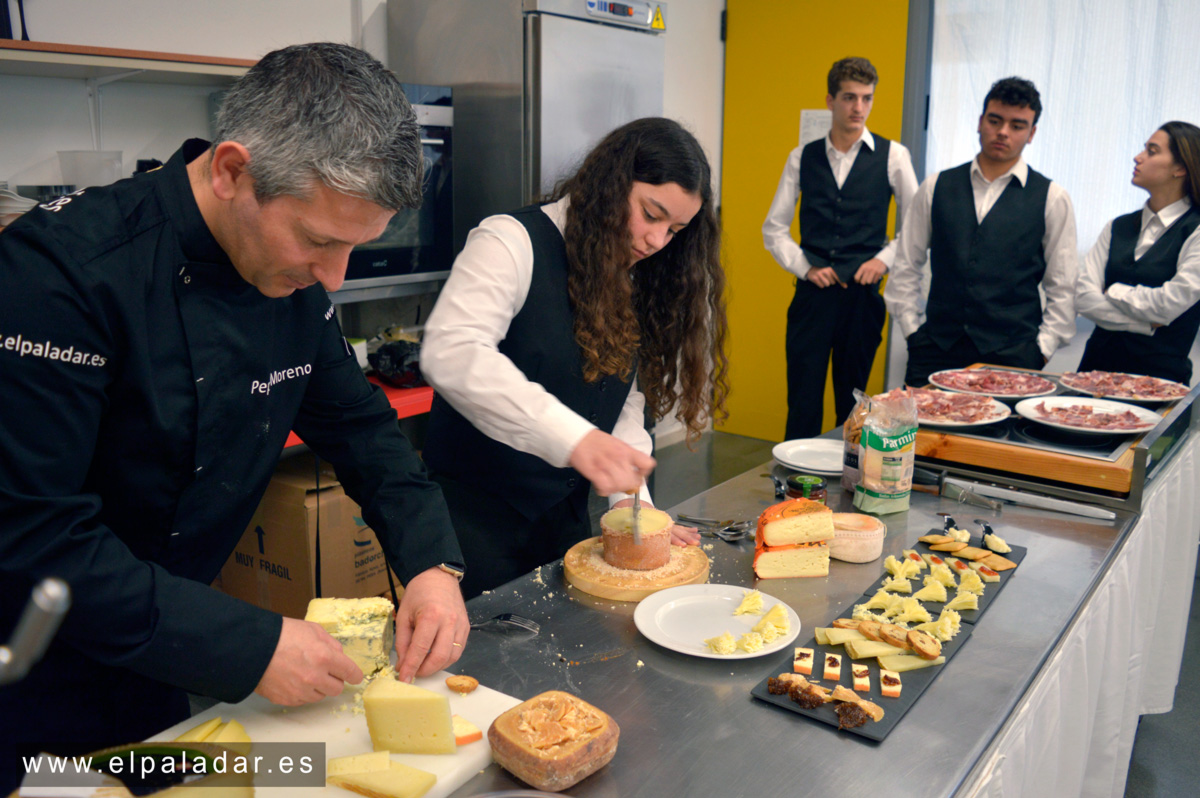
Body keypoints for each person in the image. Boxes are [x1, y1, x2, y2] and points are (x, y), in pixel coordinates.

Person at [0, 43, 468, 790]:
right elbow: (31, 533)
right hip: (27, 668)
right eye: (319, 241)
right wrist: (250, 644)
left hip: (156, 653)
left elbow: (362, 429)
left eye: (355, 246)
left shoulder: (288, 276)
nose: (334, 278)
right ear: (231, 172)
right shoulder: (58, 275)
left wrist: (432, 565)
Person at [419, 117, 729, 599]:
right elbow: (452, 352)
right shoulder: (510, 241)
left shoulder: (639, 274)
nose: (656, 241)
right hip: (470, 518)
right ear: (611, 183)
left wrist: (636, 517)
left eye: (675, 229)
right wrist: (576, 439)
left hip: (560, 518)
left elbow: (622, 400)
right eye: (651, 214)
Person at [884, 76, 1078, 387]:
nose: (1003, 132)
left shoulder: (1052, 198)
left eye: (1017, 125)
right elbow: (906, 266)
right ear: (980, 122)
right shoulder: (936, 187)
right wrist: (913, 333)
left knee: (1000, 437)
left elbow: (1064, 286)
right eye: (995, 120)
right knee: (919, 435)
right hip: (935, 351)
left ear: (1032, 133)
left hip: (1013, 357)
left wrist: (1040, 351)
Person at [763, 56, 918, 440]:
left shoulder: (893, 155)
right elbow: (774, 228)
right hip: (812, 298)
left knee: (853, 404)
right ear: (831, 100)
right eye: (850, 98)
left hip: (862, 300)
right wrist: (805, 267)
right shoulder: (802, 157)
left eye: (867, 98)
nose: (859, 108)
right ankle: (796, 487)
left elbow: (917, 226)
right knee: (802, 399)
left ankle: (847, 479)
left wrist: (883, 260)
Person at [1075, 122, 1200, 384]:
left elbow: (1167, 306)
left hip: (1159, 382)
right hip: (1093, 376)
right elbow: (1083, 298)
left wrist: (1115, 291)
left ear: (1180, 168)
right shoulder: (1117, 226)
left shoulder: (1195, 230)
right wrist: (1144, 324)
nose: (1138, 157)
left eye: (1152, 151)